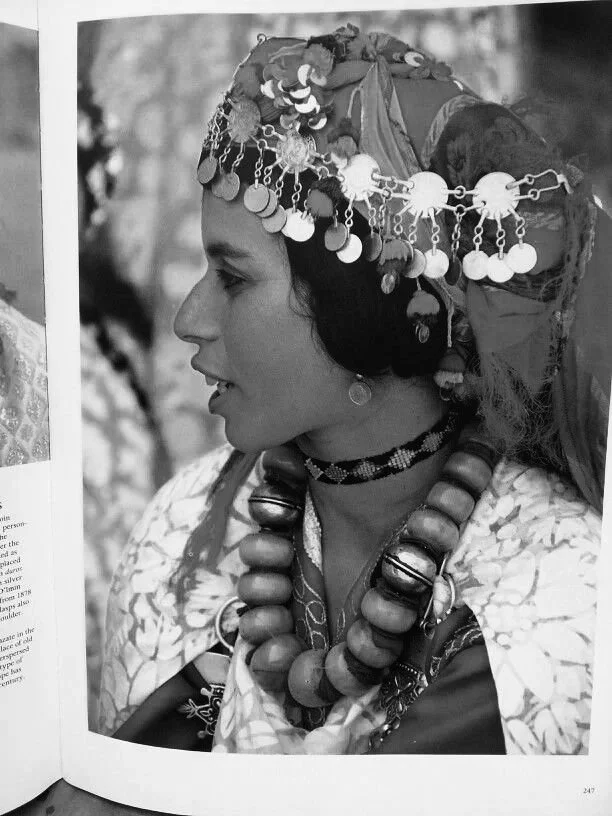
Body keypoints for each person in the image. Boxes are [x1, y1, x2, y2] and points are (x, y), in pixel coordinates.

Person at [97, 25, 610, 755]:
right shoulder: (182, 534)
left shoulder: (552, 602)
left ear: (365, 311)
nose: (189, 319)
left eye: (234, 278)